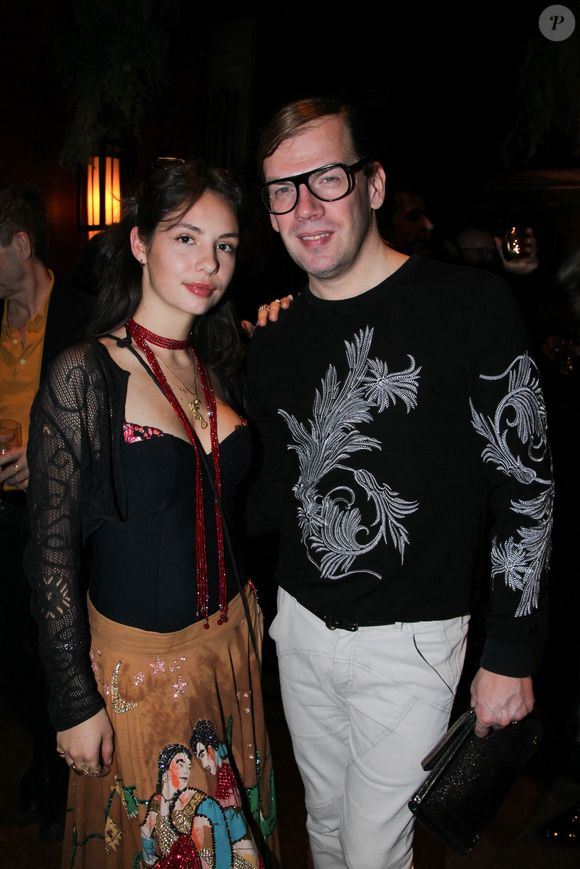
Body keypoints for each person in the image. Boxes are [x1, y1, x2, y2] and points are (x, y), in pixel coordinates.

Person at [246, 97, 553, 869]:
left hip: (410, 646)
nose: (304, 207)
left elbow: (526, 484)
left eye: (326, 179)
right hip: (301, 630)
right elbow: (270, 497)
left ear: (374, 184)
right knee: (320, 831)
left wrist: (512, 649)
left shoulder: (470, 306)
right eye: (283, 188)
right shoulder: (273, 337)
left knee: (371, 853)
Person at [24, 158, 277, 868]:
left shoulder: (218, 362)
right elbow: (49, 552)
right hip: (141, 677)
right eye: (186, 237)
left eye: (225, 245)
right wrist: (73, 698)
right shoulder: (85, 372)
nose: (210, 263)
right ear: (139, 242)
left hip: (230, 655)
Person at [0, 183, 89, 842]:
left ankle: (64, 774)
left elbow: (115, 424)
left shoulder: (85, 317)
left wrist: (49, 456)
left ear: (20, 245)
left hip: (63, 519)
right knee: (11, 657)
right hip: (1, 517)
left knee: (56, 647)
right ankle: (44, 747)